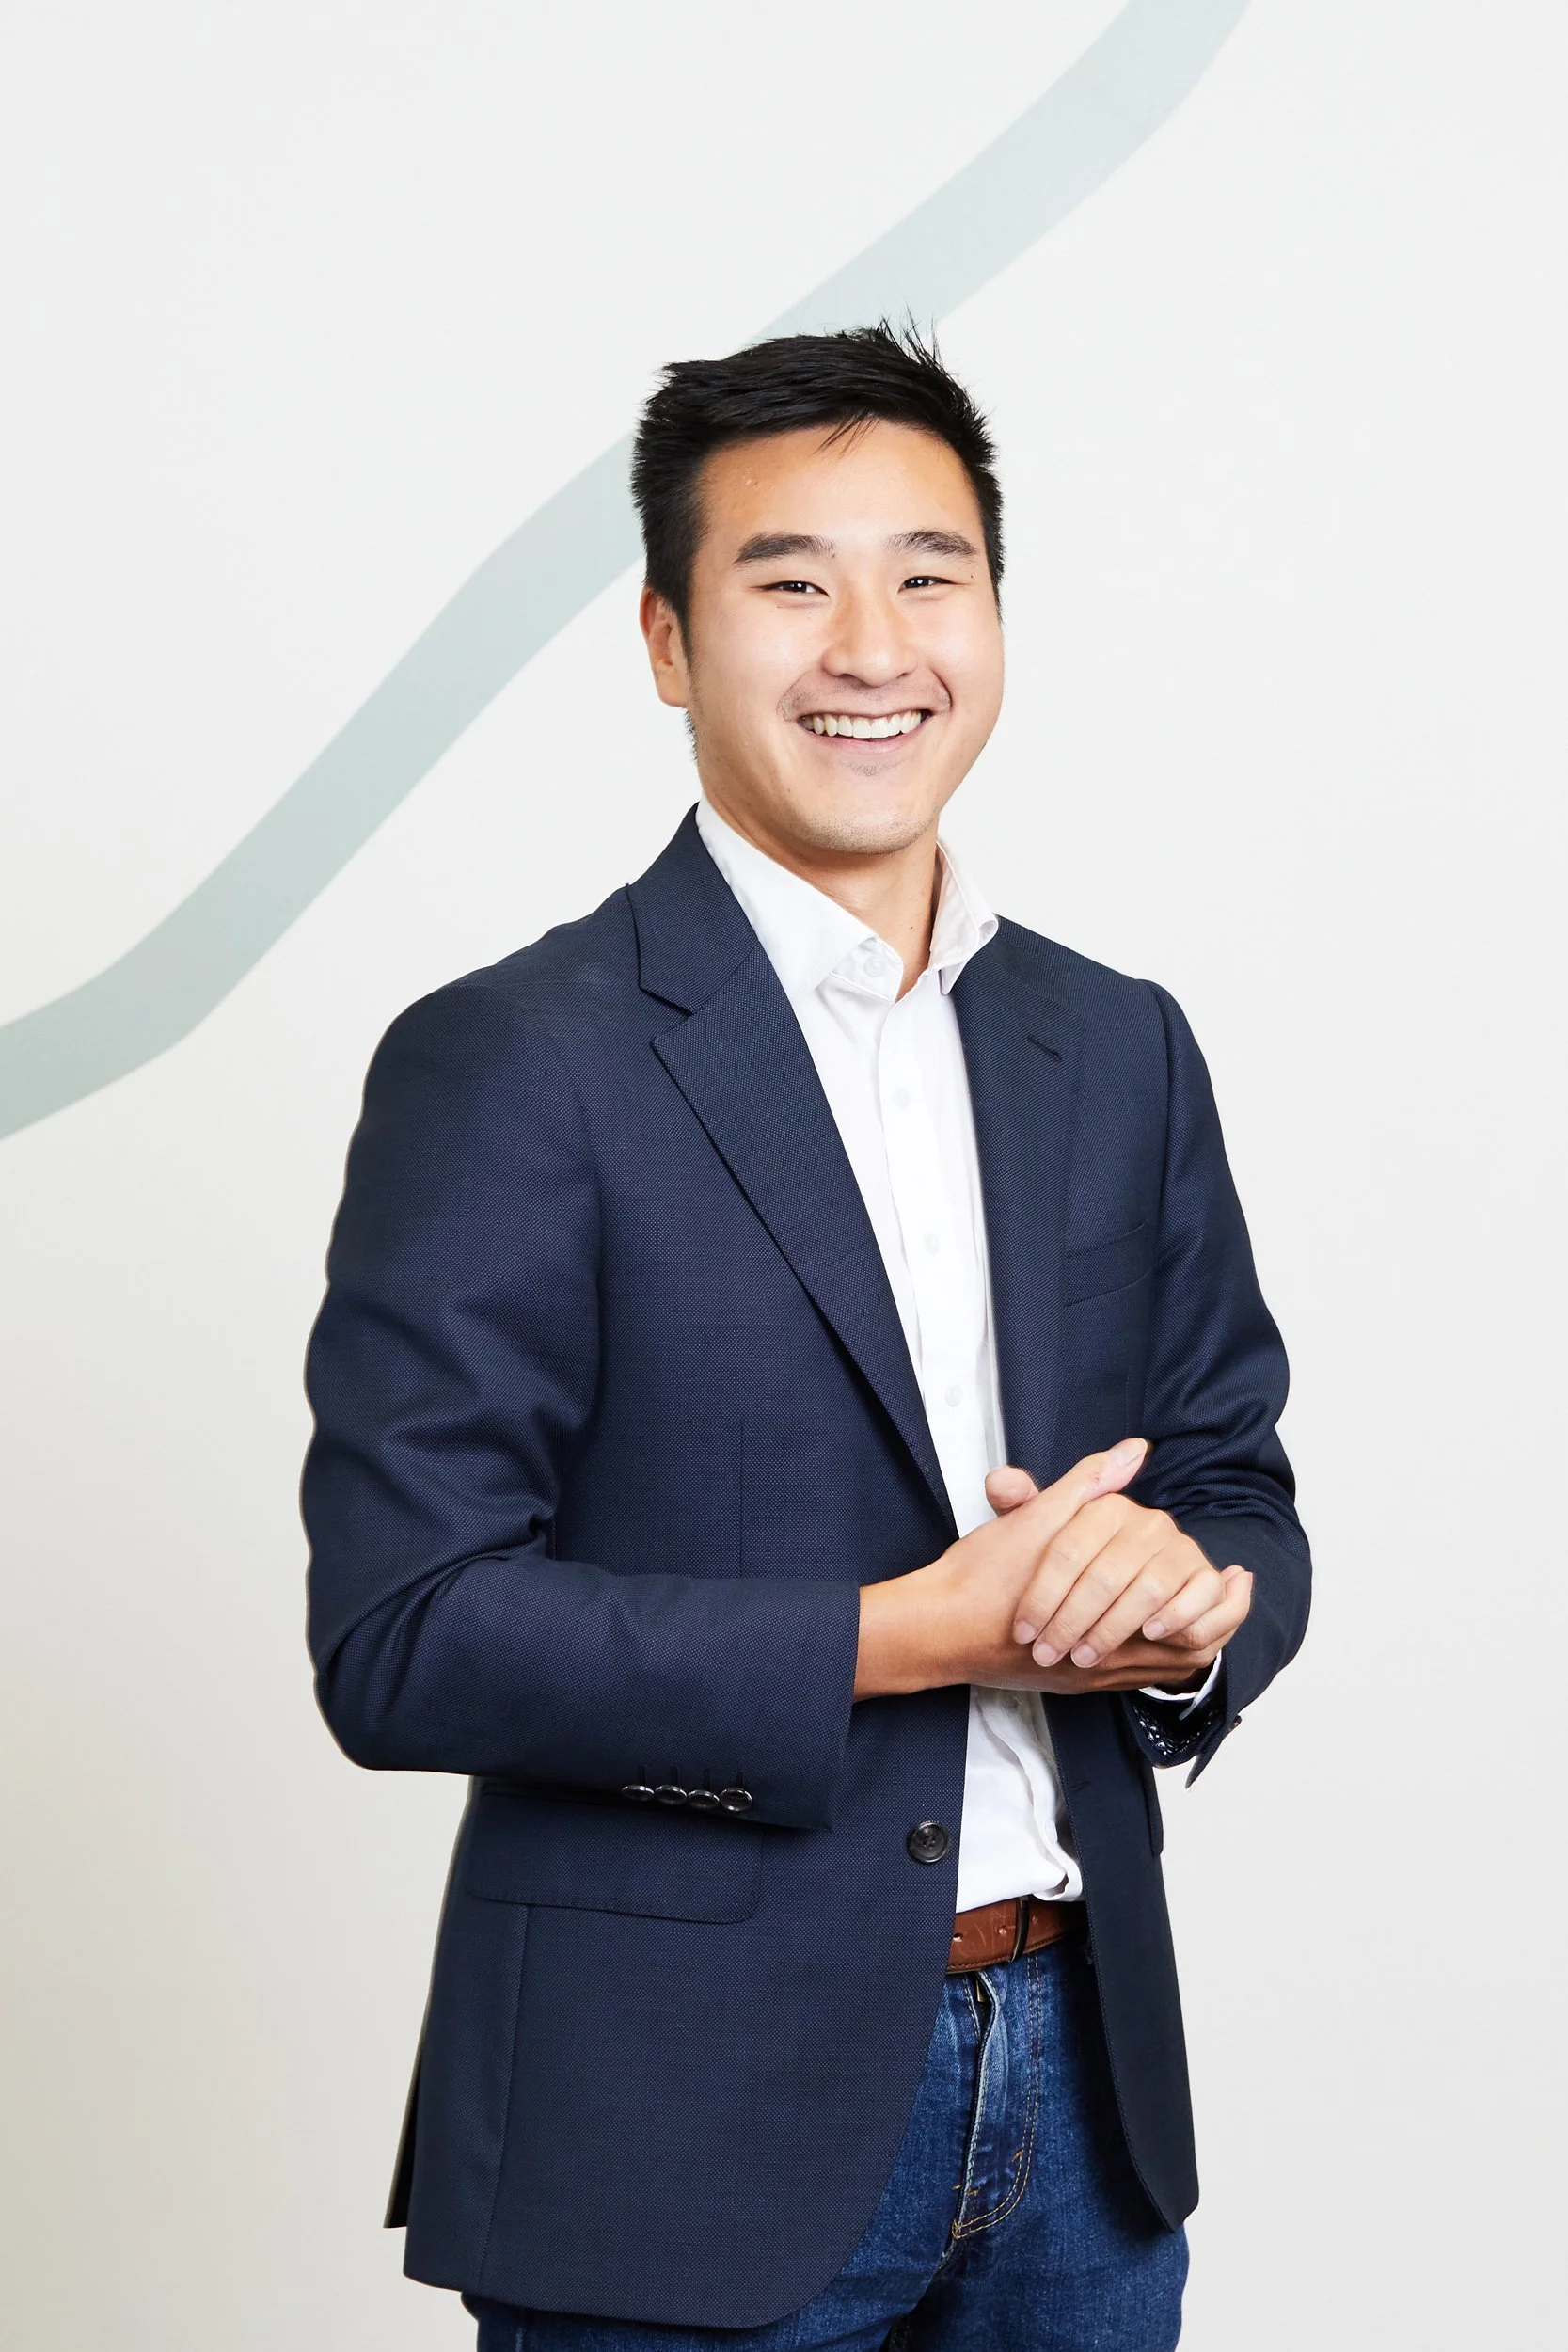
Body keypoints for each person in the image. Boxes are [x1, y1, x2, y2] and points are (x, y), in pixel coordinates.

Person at [302, 324, 1309, 2351]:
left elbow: (1235, 1494)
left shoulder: (1112, 1045)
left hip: (1085, 2114)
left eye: (928, 573)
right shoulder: (516, 1060)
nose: (873, 642)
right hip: (676, 2118)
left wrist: (1180, 1599)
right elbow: (402, 1628)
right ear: (668, 641)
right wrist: (909, 1631)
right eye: (790, 581)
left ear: (995, 615)